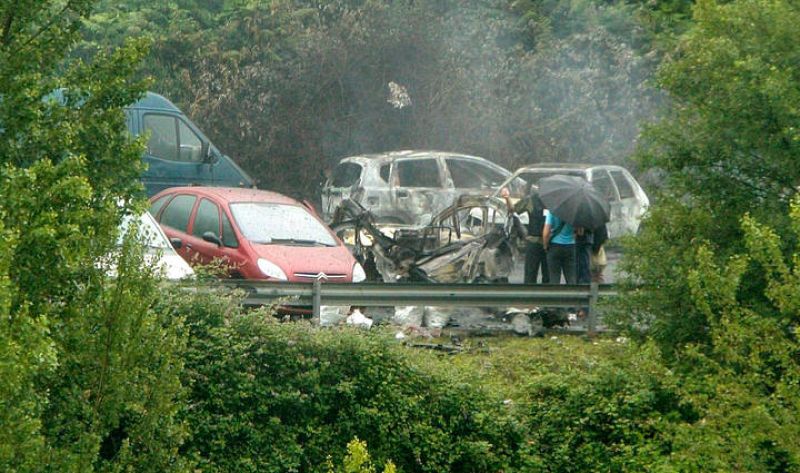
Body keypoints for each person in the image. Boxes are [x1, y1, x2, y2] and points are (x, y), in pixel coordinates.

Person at [501, 186, 549, 283]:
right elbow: (513, 210)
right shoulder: (532, 200)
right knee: (533, 275)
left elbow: (513, 210)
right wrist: (507, 198)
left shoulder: (535, 200)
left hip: (547, 242)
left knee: (545, 276)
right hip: (539, 241)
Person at [543, 210, 576, 284]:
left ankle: (555, 294)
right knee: (571, 277)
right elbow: (580, 231)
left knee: (554, 277)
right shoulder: (574, 212)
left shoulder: (552, 211)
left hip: (555, 246)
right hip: (570, 246)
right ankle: (573, 294)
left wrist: (545, 245)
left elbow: (546, 232)